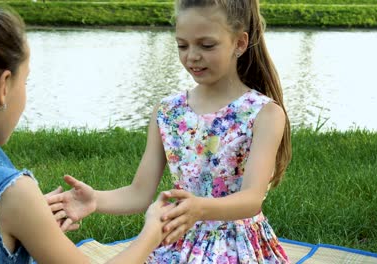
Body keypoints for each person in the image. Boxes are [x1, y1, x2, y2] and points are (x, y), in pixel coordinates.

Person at [0, 3, 174, 264]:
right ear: (3, 87)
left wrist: (32, 219)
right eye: (25, 81)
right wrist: (151, 233)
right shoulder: (14, 194)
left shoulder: (15, 200)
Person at [48, 0, 292, 263]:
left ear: (240, 43)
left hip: (236, 245)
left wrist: (200, 208)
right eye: (182, 45)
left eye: (207, 45)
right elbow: (139, 193)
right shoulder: (168, 111)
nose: (192, 56)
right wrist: (94, 199)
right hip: (177, 239)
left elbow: (251, 199)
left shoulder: (263, 113)